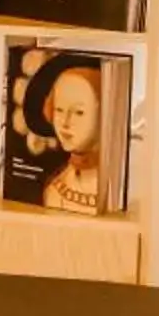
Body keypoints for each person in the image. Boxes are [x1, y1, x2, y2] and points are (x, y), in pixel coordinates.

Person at [39, 63, 105, 213]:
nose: (65, 122)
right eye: (59, 110)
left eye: (79, 112)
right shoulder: (55, 190)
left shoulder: (113, 190)